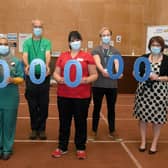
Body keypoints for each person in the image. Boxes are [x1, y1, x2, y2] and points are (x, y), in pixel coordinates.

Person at [51, 31, 98, 159]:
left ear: (81, 41)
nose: (75, 42)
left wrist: (87, 80)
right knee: (64, 122)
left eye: (77, 40)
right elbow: (55, 73)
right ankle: (62, 146)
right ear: (69, 42)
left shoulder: (87, 56)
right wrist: (58, 79)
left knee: (81, 122)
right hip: (64, 95)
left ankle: (81, 147)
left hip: (82, 96)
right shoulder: (63, 56)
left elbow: (94, 74)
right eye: (72, 40)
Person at [133, 36, 168, 154]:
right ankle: (143, 142)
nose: (155, 47)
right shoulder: (143, 58)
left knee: (157, 120)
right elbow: (135, 72)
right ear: (149, 46)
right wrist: (137, 74)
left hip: (160, 93)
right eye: (153, 45)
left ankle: (154, 144)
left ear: (162, 47)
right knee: (142, 119)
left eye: (158, 45)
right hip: (144, 93)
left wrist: (158, 77)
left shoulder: (167, 60)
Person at [89, 27, 122, 140]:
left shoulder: (115, 51)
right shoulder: (95, 50)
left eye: (108, 35)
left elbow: (117, 64)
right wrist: (103, 71)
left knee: (111, 108)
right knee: (96, 108)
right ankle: (94, 131)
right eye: (104, 35)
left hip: (112, 85)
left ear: (111, 37)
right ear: (100, 37)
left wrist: (118, 73)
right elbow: (97, 62)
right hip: (98, 84)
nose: (106, 37)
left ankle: (112, 130)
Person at [23, 19, 52, 140]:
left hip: (44, 77)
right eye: (36, 26)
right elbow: (25, 55)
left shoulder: (46, 42)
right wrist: (26, 65)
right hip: (31, 76)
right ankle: (34, 129)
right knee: (32, 104)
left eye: (40, 27)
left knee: (44, 105)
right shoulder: (27, 42)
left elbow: (47, 54)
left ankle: (42, 129)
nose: (38, 29)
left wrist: (47, 65)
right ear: (32, 28)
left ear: (42, 29)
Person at [0, 37, 24, 160]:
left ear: (8, 46)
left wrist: (13, 80)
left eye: (5, 44)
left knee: (9, 124)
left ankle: (7, 149)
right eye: (1, 44)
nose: (3, 46)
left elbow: (21, 78)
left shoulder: (16, 61)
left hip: (10, 97)